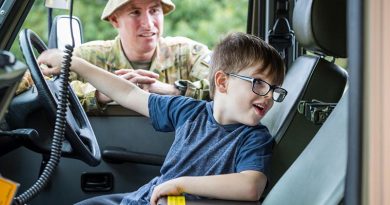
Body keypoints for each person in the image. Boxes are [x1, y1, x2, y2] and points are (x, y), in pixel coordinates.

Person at [38, 32, 287, 205]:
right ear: (222, 82)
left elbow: (250, 186)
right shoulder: (189, 112)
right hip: (146, 197)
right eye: (259, 84)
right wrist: (75, 64)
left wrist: (180, 184)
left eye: (275, 89)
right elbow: (128, 93)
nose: (268, 97)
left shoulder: (254, 138)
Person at [16, 0, 211, 113]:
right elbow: (33, 84)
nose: (149, 24)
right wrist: (102, 92)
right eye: (135, 12)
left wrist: (170, 90)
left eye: (154, 10)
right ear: (115, 20)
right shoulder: (86, 57)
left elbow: (228, 89)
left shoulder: (189, 53)